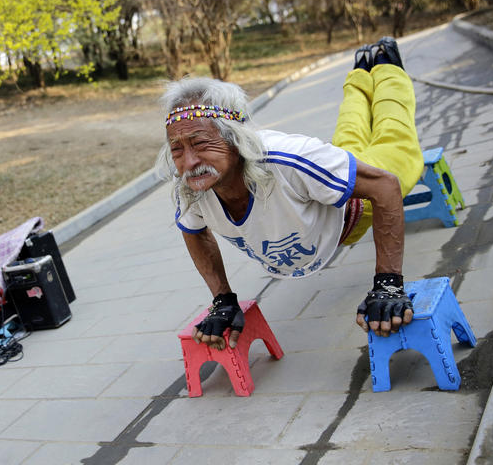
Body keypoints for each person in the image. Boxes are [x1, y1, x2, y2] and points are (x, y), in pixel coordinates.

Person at [157, 37, 424, 350]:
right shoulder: (189, 186)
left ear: (236, 139)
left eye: (201, 143)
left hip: (354, 209)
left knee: (394, 135)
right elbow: (195, 232)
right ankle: (360, 74)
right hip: (322, 181)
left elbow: (385, 186)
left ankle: (388, 69)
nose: (189, 162)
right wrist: (223, 300)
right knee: (350, 133)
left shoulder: (288, 158)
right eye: (177, 149)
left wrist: (388, 283)